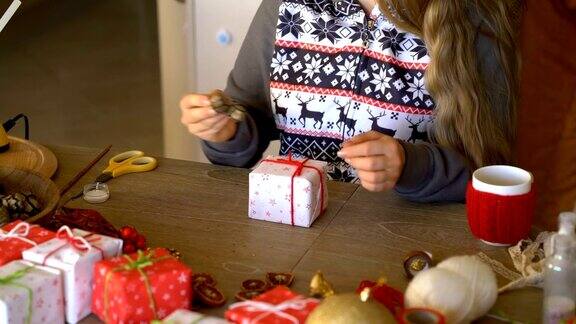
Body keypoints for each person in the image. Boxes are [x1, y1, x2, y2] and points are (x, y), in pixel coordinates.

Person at [179, 0, 520, 202]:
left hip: (408, 251)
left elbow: (493, 175)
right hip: (290, 231)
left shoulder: (475, 16)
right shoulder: (286, 6)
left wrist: (409, 164)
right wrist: (224, 131)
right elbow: (245, 120)